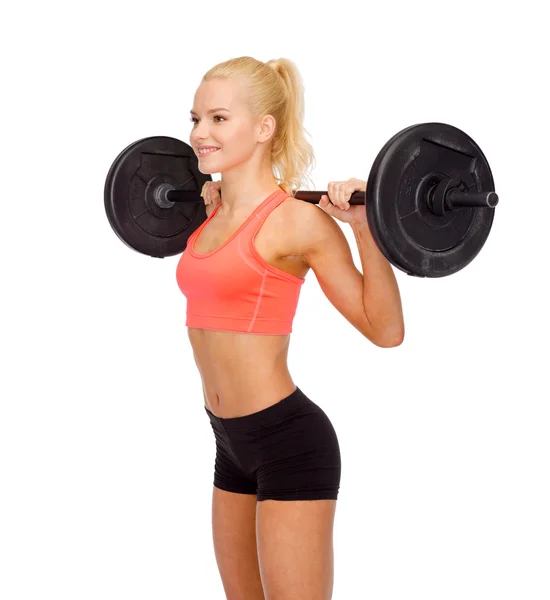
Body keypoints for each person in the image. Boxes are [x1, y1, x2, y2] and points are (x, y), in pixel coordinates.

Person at [175, 56, 404, 600]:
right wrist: (219, 198)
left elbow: (386, 329)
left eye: (218, 119)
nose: (199, 133)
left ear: (264, 128)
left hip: (289, 443)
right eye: (196, 118)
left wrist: (365, 231)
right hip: (227, 441)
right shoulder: (210, 210)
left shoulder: (299, 220)